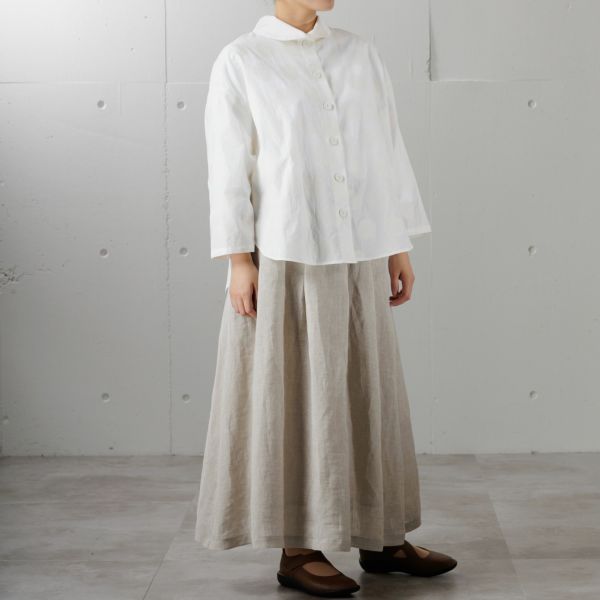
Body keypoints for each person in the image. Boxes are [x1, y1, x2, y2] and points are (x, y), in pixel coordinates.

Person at [195, 0, 457, 596]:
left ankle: (381, 536)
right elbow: (228, 164)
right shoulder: (242, 59)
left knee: (368, 389)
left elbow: (385, 147)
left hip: (362, 244)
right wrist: (238, 258)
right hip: (287, 251)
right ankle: (298, 548)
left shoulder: (359, 52)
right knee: (293, 395)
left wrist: (398, 243)